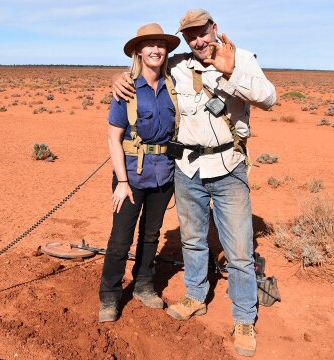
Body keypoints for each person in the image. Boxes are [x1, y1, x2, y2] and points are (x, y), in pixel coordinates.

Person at [112, 9, 276, 357]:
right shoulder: (179, 67)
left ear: (214, 29)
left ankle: (244, 317)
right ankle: (195, 296)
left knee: (240, 251)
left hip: (229, 166)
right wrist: (118, 78)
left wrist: (231, 72)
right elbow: (145, 68)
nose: (199, 41)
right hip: (187, 168)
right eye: (191, 36)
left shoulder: (242, 58)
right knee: (193, 239)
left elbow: (268, 98)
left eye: (203, 32)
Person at [99, 23, 180, 323]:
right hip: (130, 176)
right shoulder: (127, 88)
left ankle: (144, 284)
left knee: (151, 234)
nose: (156, 49)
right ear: (138, 51)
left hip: (163, 175)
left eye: (161, 44)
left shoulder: (173, 87)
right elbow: (113, 138)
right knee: (120, 238)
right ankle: (109, 295)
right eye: (149, 44)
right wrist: (121, 182)